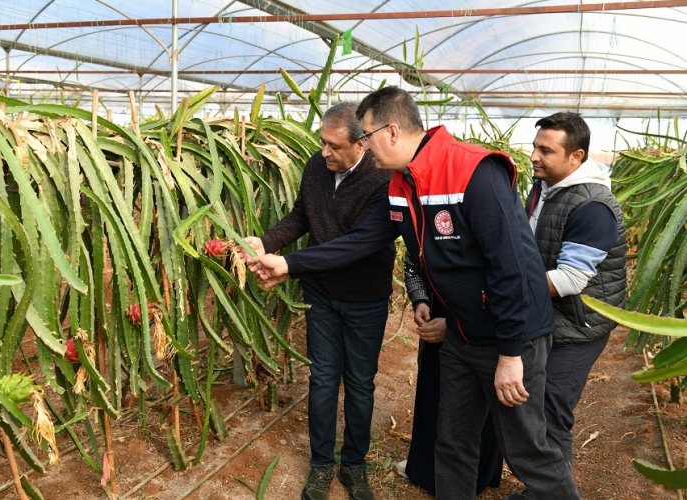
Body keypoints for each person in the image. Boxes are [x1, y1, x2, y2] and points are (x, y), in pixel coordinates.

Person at [249, 86, 580, 499]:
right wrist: (289, 264)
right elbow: (362, 240)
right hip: (460, 333)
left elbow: (511, 266)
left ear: (390, 131)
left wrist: (511, 353)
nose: (365, 148)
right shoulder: (401, 185)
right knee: (453, 442)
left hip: (511, 337)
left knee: (528, 450)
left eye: (366, 137)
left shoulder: (474, 171)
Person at [241, 102, 395, 500]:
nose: (323, 152)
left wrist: (289, 263)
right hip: (322, 296)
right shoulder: (318, 166)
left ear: (361, 143)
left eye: (333, 146)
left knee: (360, 383)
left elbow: (354, 247)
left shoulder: (384, 180)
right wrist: (268, 241)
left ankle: (355, 464)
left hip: (365, 299)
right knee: (324, 379)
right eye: (322, 143)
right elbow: (301, 216)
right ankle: (322, 464)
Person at [527, 112, 626, 467]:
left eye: (546, 151)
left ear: (576, 157)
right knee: (535, 405)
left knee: (552, 409)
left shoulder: (593, 205)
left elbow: (570, 279)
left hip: (579, 326)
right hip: (551, 317)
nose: (535, 156)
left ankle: (555, 493)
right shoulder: (543, 188)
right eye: (534, 147)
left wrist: (507, 292)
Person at [397, 257, 503, 496]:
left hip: (482, 322)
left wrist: (455, 325)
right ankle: (426, 472)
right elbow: (413, 260)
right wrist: (420, 300)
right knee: (433, 391)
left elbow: (499, 279)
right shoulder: (422, 220)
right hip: (439, 313)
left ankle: (476, 477)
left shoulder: (488, 223)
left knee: (476, 403)